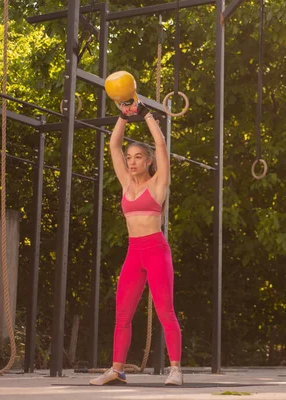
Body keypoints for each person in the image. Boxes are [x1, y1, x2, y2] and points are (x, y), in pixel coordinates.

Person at [90, 87, 183, 386]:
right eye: (130, 158)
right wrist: (122, 114)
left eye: (138, 157)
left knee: (165, 311)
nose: (131, 162)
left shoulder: (158, 184)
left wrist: (145, 114)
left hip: (156, 249)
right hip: (134, 251)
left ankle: (175, 370)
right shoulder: (125, 183)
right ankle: (117, 370)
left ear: (149, 161)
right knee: (122, 313)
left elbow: (161, 143)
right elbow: (114, 146)